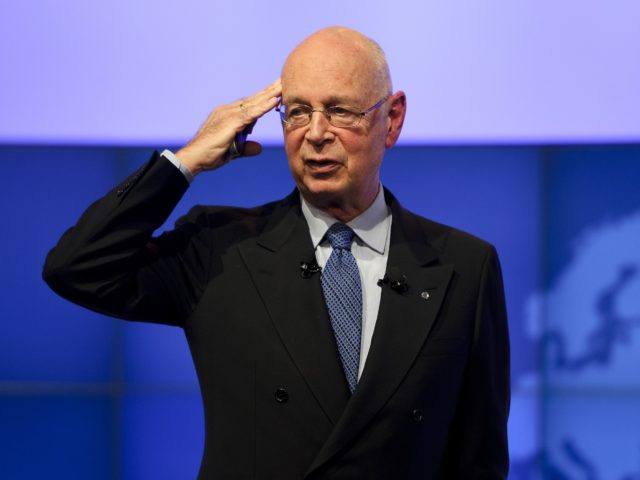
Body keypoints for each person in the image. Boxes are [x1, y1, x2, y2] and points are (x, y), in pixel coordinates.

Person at [43, 27, 510, 479]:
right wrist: (184, 162)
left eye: (341, 111)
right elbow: (77, 267)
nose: (316, 133)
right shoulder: (219, 248)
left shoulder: (463, 268)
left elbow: (478, 461)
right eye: (298, 111)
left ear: (392, 118)